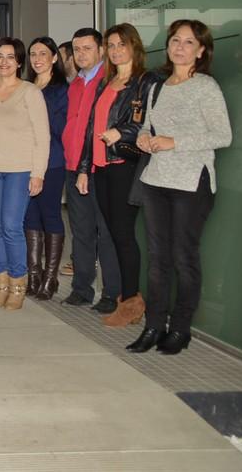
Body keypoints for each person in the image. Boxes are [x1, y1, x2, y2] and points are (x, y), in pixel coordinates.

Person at [127, 19, 231, 355]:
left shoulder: (205, 87)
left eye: (188, 42)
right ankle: (154, 325)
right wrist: (144, 139)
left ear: (201, 51)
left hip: (190, 182)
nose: (180, 47)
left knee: (183, 257)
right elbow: (146, 126)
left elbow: (223, 135)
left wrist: (175, 141)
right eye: (175, 40)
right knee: (158, 259)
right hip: (156, 180)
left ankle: (181, 328)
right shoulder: (158, 86)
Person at [77, 23, 156, 327]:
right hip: (102, 167)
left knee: (123, 235)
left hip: (125, 164)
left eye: (121, 44)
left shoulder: (146, 82)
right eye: (111, 45)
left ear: (134, 46)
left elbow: (150, 123)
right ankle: (127, 297)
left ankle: (131, 300)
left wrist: (121, 132)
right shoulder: (106, 83)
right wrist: (84, 168)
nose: (115, 50)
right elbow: (91, 129)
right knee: (112, 233)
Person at [0, 37, 49, 311]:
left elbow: (42, 136)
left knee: (12, 226)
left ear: (19, 62)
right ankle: (1, 283)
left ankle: (18, 284)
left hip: (20, 169)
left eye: (10, 57)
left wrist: (38, 173)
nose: (4, 62)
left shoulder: (30, 92)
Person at [61, 28, 121, 313]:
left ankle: (111, 293)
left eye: (87, 48)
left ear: (100, 50)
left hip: (99, 168)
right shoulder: (75, 83)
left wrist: (87, 166)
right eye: (77, 49)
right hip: (73, 166)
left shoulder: (108, 81)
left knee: (106, 233)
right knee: (81, 231)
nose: (81, 54)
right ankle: (82, 289)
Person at [24, 37, 69, 299]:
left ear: (54, 57)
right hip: (24, 161)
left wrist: (38, 115)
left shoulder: (62, 89)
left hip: (52, 161)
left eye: (43, 53)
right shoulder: (26, 87)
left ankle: (51, 278)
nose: (37, 59)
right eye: (33, 54)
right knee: (30, 217)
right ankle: (34, 274)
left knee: (50, 214)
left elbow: (61, 128)